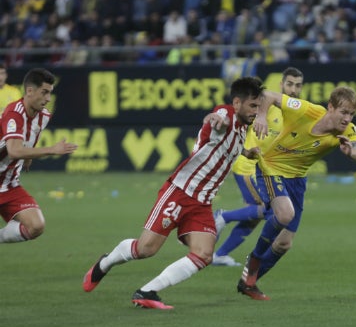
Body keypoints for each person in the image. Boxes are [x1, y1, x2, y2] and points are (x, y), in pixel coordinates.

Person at [82, 77, 265, 309]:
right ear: (237, 103)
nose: (256, 111)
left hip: (202, 203)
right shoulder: (227, 115)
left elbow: (227, 148)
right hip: (180, 192)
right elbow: (218, 116)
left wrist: (247, 153)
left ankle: (147, 291)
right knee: (145, 249)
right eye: (252, 106)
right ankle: (104, 264)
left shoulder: (242, 129)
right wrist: (214, 117)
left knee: (204, 254)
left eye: (258, 107)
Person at [216, 85, 356, 300]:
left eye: (351, 114)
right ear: (330, 107)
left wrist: (351, 152)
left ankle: (248, 282)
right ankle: (255, 258)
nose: (347, 118)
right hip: (271, 168)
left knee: (284, 243)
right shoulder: (305, 110)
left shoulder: (347, 130)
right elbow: (268, 95)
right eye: (343, 112)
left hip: (297, 180)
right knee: (284, 214)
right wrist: (261, 116)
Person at [211, 67, 304, 267]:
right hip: (248, 166)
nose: (293, 89)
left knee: (254, 216)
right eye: (289, 84)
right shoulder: (266, 105)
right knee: (268, 210)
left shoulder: (294, 110)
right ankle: (223, 216)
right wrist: (261, 115)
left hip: (264, 168)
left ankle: (219, 254)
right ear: (281, 84)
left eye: (298, 85)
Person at [0, 68, 78, 244]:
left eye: (50, 93)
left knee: (36, 226)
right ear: (29, 91)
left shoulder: (43, 116)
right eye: (44, 93)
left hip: (9, 185)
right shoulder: (14, 113)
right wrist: (51, 150)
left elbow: (31, 136)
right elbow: (14, 150)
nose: (48, 99)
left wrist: (28, 157)